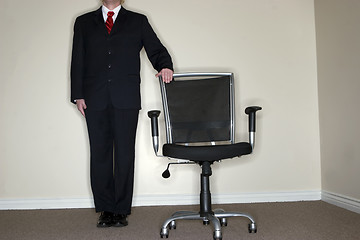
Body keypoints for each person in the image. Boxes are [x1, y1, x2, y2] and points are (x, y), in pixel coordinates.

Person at [70, 0, 173, 228]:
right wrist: (78, 94)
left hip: (125, 98)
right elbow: (78, 59)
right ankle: (106, 209)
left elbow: (155, 48)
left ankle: (121, 209)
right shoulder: (84, 22)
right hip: (93, 98)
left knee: (125, 154)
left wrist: (164, 66)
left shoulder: (138, 21)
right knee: (100, 154)